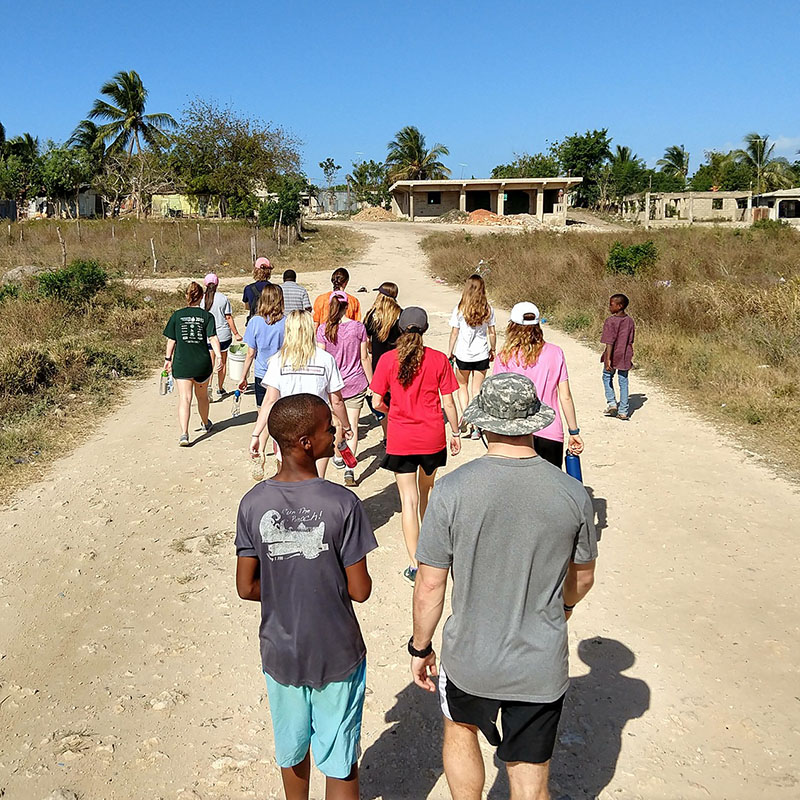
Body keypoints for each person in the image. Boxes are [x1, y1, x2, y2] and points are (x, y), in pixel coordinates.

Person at [410, 373, 598, 800]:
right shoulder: (571, 493)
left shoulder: (452, 491)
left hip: (470, 655)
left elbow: (430, 583)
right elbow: (583, 577)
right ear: (533, 423)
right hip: (540, 659)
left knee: (461, 730)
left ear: (483, 424)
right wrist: (562, 609)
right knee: (530, 773)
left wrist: (421, 647)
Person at [235, 393, 377, 800]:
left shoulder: (252, 504)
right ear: (305, 442)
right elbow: (360, 590)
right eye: (329, 428)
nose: (336, 433)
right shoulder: (343, 504)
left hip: (281, 651)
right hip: (337, 651)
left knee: (292, 748)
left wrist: (284, 587)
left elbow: (246, 587)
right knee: (340, 760)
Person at [370, 307, 460, 583]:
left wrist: (392, 409)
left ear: (399, 328)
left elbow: (375, 402)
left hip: (401, 437)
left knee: (408, 502)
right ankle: (435, 552)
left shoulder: (387, 359)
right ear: (425, 329)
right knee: (427, 494)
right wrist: (455, 431)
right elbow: (448, 402)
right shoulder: (438, 359)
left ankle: (416, 564)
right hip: (432, 436)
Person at [250, 311, 353, 478]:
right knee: (317, 478)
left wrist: (257, 434)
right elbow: (337, 401)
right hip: (318, 425)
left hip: (287, 425)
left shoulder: (278, 361)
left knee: (287, 476)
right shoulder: (326, 359)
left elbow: (269, 401)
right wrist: (346, 426)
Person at [493, 302, 584, 468]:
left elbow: (499, 399)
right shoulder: (555, 352)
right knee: (549, 489)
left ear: (512, 326)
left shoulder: (504, 357)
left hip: (516, 432)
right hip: (550, 430)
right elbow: (565, 396)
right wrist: (574, 431)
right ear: (537, 325)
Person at [316, 291, 372, 487]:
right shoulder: (358, 328)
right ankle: (349, 468)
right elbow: (364, 357)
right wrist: (372, 381)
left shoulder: (323, 329)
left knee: (336, 424)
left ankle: (338, 454)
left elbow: (321, 359)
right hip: (355, 382)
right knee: (352, 427)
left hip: (331, 384)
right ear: (347, 307)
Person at [163, 281, 222, 446]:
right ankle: (205, 423)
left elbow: (171, 340)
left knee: (185, 398)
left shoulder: (177, 315)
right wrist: (218, 357)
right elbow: (213, 338)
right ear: (202, 297)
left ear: (186, 296)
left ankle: (184, 434)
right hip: (202, 363)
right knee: (202, 397)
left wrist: (168, 360)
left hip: (182, 363)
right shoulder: (207, 316)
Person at [446, 274, 496, 439]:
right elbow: (492, 332)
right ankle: (476, 426)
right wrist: (493, 349)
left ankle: (466, 415)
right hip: (481, 354)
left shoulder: (460, 309)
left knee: (462, 387)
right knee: (477, 390)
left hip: (463, 355)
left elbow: (454, 333)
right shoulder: (487, 309)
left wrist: (450, 351)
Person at [363, 282, 402, 440]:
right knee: (397, 401)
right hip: (397, 364)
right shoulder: (401, 315)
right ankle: (398, 431)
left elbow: (366, 342)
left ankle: (388, 435)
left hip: (379, 365)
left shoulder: (372, 315)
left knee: (380, 403)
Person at [239, 284, 286, 409]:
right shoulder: (287, 321)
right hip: (282, 372)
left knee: (262, 409)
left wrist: (243, 376)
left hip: (262, 373)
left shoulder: (254, 321)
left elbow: (250, 353)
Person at [203, 272, 242, 400]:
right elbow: (228, 317)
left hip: (208, 336)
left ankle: (208, 388)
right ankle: (220, 388)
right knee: (222, 363)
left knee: (210, 363)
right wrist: (236, 333)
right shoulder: (223, 298)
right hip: (223, 335)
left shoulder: (202, 299)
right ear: (217, 283)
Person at [601, 293, 635, 421]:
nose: (609, 307)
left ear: (619, 306)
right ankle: (623, 412)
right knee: (623, 381)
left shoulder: (610, 321)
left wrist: (607, 359)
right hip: (625, 354)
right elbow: (631, 339)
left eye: (611, 304)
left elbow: (609, 342)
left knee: (606, 376)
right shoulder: (630, 321)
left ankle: (612, 403)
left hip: (614, 354)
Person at [242, 257, 273, 324]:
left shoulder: (248, 288)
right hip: (270, 321)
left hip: (254, 322)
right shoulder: (275, 288)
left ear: (255, 270)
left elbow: (247, 307)